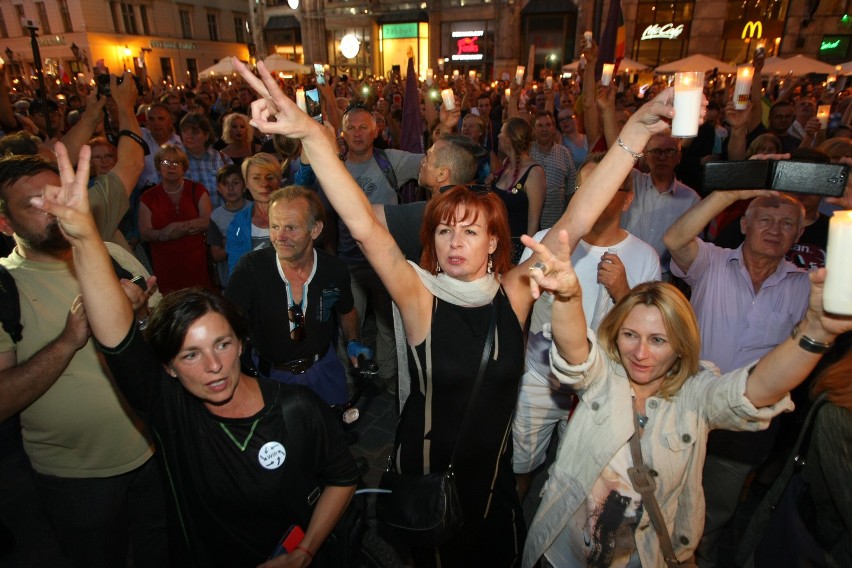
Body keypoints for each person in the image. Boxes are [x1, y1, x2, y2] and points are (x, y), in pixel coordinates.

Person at [235, 58, 570, 567]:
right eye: (442, 231)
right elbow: (365, 227)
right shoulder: (420, 296)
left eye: (470, 231)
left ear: (495, 242)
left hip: (493, 485)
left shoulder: (517, 293)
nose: (455, 242)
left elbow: (580, 217)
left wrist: (631, 136)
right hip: (428, 480)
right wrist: (314, 138)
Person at [32, 143, 360, 567]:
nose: (212, 366)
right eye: (190, 355)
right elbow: (117, 340)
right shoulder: (175, 415)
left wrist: (305, 550)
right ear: (166, 367)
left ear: (240, 344)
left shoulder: (296, 408)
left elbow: (342, 475)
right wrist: (85, 238)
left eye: (222, 345)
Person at [521, 242, 852, 567]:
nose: (640, 353)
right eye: (630, 335)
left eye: (658, 340)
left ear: (681, 345)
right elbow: (574, 351)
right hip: (558, 553)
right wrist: (568, 296)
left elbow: (754, 391)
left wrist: (814, 331)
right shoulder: (605, 374)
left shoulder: (696, 393)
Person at [0, 150, 168, 567]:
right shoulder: (6, 288)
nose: (53, 208)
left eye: (55, 193)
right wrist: (69, 341)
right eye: (35, 204)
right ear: (5, 223)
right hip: (77, 481)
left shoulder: (110, 255)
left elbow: (169, 347)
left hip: (155, 453)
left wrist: (141, 318)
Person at [663, 189, 810, 567]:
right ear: (744, 225)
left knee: (716, 509)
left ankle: (698, 558)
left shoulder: (806, 286)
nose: (775, 230)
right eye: (764, 219)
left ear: (799, 235)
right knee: (667, 491)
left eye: (787, 223)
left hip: (749, 421)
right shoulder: (711, 261)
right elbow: (674, 239)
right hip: (688, 405)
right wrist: (731, 193)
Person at [512, 153, 660, 502]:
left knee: (574, 479)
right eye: (583, 186)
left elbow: (649, 338)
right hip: (538, 377)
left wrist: (623, 291)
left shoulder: (643, 256)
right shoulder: (550, 239)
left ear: (627, 197)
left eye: (603, 185)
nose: (588, 193)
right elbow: (517, 301)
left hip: (598, 389)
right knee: (519, 468)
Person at [225, 185, 369, 406]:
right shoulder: (251, 269)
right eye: (274, 226)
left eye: (291, 227)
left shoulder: (333, 269)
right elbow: (226, 321)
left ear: (315, 229)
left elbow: (347, 310)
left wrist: (352, 341)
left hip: (323, 371)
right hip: (272, 378)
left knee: (333, 434)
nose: (280, 237)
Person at [620, 133, 700, 276]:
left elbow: (693, 249)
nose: (662, 158)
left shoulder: (691, 199)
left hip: (665, 277)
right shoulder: (632, 181)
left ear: (678, 158)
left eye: (669, 152)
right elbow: (618, 154)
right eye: (656, 151)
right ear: (646, 156)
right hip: (625, 269)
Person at [138, 144, 213, 293]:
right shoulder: (148, 196)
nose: (170, 166)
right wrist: (162, 235)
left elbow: (207, 221)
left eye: (176, 162)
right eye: (165, 162)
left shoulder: (197, 189)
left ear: (183, 167)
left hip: (195, 263)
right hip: (165, 265)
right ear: (158, 167)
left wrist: (175, 228)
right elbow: (145, 232)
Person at [489, 116, 546, 263]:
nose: (498, 136)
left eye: (501, 132)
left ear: (508, 139)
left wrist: (527, 259)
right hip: (499, 247)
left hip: (519, 250)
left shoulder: (534, 173)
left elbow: (533, 223)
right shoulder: (506, 165)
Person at [225, 152, 278, 273]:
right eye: (256, 178)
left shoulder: (292, 216)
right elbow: (236, 271)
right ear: (246, 183)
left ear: (279, 181)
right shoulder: (237, 225)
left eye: (270, 177)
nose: (264, 184)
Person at [530, 112, 577, 229]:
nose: (544, 129)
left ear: (554, 128)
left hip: (557, 223)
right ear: (533, 130)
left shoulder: (564, 153)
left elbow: (571, 190)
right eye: (540, 126)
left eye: (548, 125)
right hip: (530, 224)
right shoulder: (527, 152)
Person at [207, 164, 249, 289]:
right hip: (230, 281)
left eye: (235, 183)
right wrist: (245, 242)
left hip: (256, 276)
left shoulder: (255, 210)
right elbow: (217, 255)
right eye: (225, 184)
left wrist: (229, 243)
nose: (230, 188)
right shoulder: (216, 216)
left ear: (244, 185)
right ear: (219, 189)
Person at [181, 112, 232, 209]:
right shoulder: (176, 160)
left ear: (206, 135)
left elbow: (233, 192)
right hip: (188, 221)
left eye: (195, 132)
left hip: (218, 219)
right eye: (185, 131)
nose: (189, 136)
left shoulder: (222, 159)